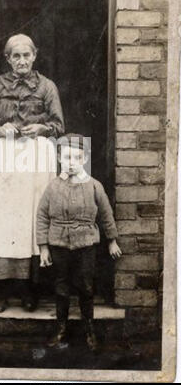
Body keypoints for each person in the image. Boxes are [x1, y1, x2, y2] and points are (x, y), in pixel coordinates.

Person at [0, 34, 65, 313]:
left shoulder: (47, 87)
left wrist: (43, 128)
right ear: (8, 58)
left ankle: (29, 289)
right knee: (1, 222)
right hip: (4, 160)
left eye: (26, 55)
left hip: (35, 161)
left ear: (35, 55)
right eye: (16, 56)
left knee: (30, 222)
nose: (22, 61)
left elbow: (59, 125)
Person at [36, 133, 122, 350]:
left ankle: (89, 329)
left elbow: (106, 215)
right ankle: (61, 329)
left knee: (85, 286)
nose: (71, 163)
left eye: (76, 157)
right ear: (59, 159)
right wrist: (44, 247)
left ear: (85, 159)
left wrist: (112, 240)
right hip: (59, 245)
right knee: (61, 287)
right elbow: (42, 216)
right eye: (67, 158)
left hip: (86, 246)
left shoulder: (94, 186)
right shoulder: (53, 187)